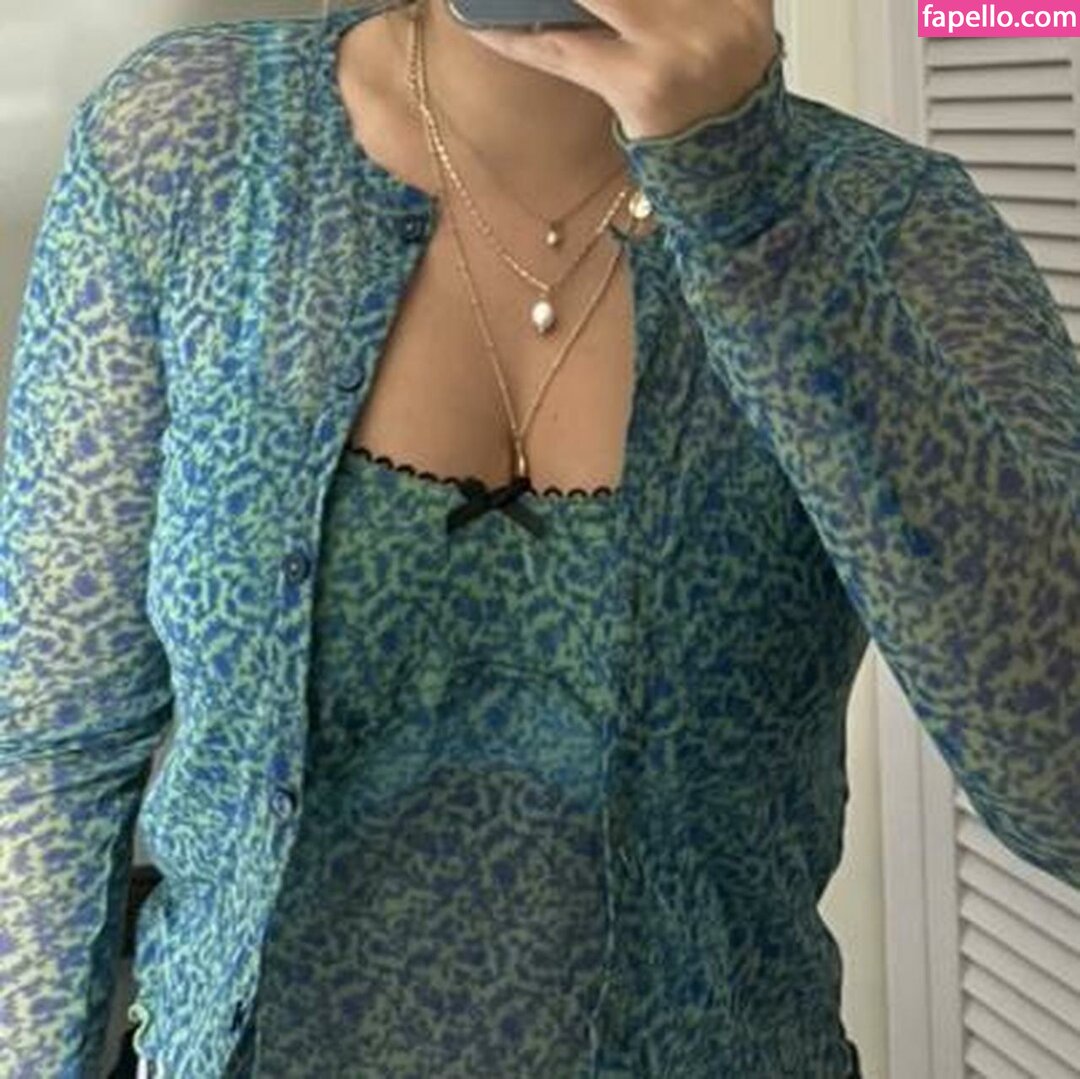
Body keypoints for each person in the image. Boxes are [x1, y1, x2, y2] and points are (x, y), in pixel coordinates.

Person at [1, 0, 1077, 1075]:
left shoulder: (888, 226)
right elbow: (51, 740)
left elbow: (1061, 781)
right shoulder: (189, 141)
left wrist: (751, 209)